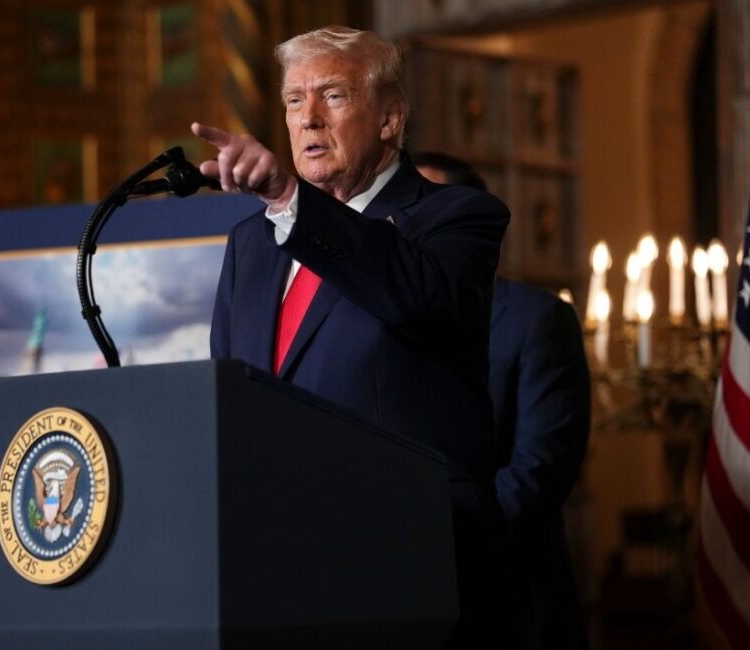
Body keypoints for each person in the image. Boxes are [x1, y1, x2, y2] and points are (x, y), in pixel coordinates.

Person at [192, 26, 517, 649]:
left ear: (390, 118)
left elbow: (412, 295)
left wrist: (291, 199)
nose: (308, 117)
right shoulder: (251, 243)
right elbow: (230, 392)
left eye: (333, 95)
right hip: (279, 567)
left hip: (411, 560)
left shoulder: (456, 218)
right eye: (294, 100)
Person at [417, 153, 592, 650]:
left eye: (421, 211)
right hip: (410, 606)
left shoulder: (537, 320)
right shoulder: (380, 320)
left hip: (511, 601)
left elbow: (539, 472)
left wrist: (430, 537)